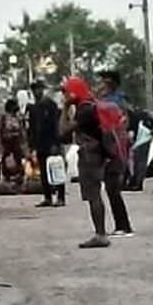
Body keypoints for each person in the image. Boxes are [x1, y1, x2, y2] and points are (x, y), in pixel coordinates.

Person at [61, 76, 133, 248]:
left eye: (66, 91)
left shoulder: (84, 110)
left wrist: (65, 108)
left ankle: (100, 234)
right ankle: (114, 228)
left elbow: (63, 132)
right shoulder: (93, 106)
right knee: (107, 192)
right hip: (102, 153)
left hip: (90, 154)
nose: (64, 95)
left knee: (93, 195)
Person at [28, 81, 64, 207]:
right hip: (40, 143)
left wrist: (56, 142)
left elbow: (55, 125)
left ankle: (61, 197)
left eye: (38, 89)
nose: (36, 92)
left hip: (51, 142)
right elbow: (31, 128)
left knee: (56, 169)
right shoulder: (33, 107)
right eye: (34, 90)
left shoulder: (50, 105)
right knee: (43, 171)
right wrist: (31, 145)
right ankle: (47, 197)